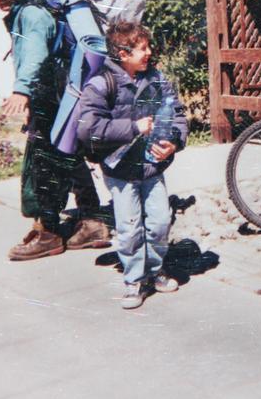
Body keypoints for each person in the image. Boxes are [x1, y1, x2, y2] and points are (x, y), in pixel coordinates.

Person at [0, 0, 110, 261]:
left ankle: (48, 232)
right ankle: (93, 223)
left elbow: (35, 53)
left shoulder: (32, 14)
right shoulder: (33, 10)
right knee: (67, 156)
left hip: (50, 97)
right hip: (59, 96)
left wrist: (22, 90)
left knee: (44, 164)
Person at [77, 22, 188, 310]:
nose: (149, 53)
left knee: (161, 221)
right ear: (123, 54)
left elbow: (175, 113)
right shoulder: (102, 84)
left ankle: (154, 270)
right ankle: (134, 279)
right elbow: (88, 128)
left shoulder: (155, 79)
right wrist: (132, 127)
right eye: (143, 49)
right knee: (129, 228)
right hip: (120, 171)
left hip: (152, 168)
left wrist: (173, 141)